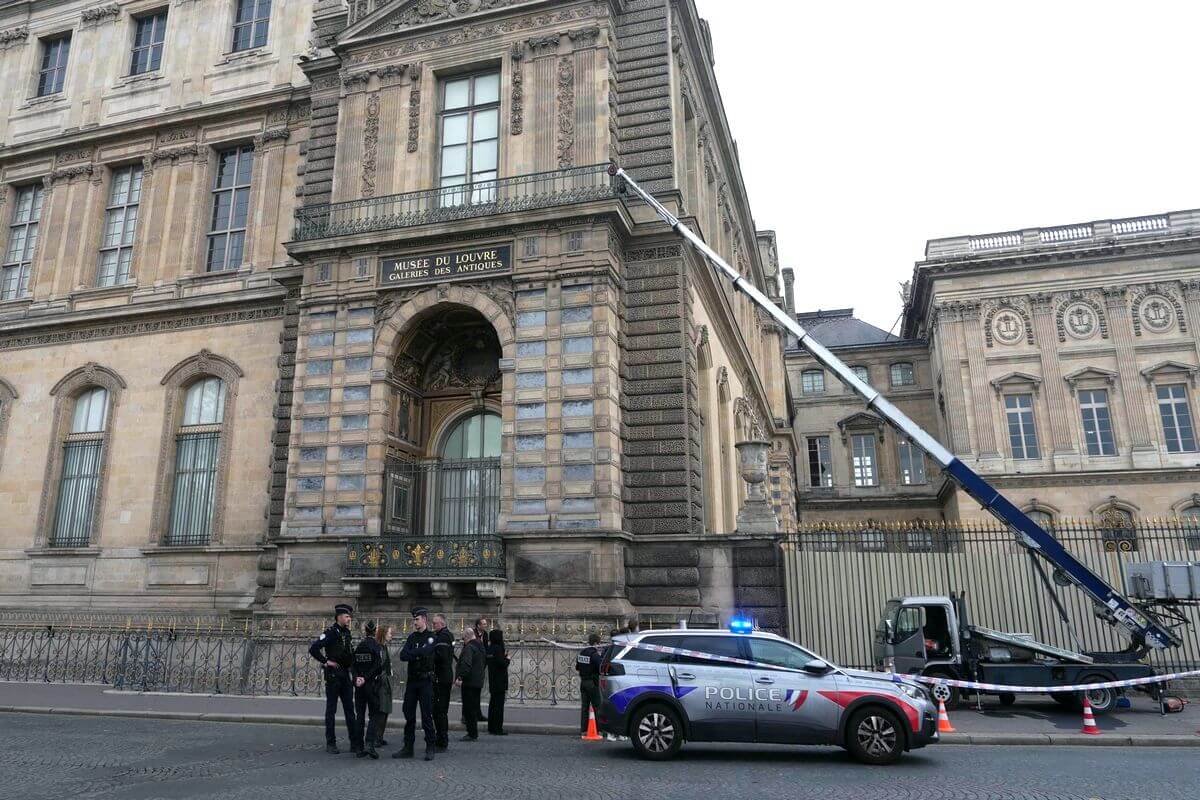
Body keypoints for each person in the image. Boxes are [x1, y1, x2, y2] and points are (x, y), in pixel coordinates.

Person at [308, 603, 362, 755]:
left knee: (350, 710)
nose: (349, 619)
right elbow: (314, 648)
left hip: (344, 674)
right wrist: (326, 661)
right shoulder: (331, 632)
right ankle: (331, 743)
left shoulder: (347, 633)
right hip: (333, 675)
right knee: (331, 710)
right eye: (347, 616)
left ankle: (354, 742)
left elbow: (349, 654)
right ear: (339, 617)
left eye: (350, 616)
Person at [394, 607, 437, 761]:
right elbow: (403, 655)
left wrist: (415, 654)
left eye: (417, 619)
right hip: (412, 682)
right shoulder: (412, 637)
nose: (415, 622)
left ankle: (430, 746)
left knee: (426, 715)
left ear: (424, 619)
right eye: (414, 619)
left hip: (425, 681)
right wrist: (417, 654)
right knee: (409, 714)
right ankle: (408, 747)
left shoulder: (431, 637)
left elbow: (427, 651)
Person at [352, 621, 391, 759]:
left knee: (360, 717)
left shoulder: (360, 646)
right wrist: (366, 678)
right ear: (374, 632)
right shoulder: (376, 647)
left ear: (365, 631)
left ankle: (358, 747)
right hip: (371, 686)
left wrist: (357, 678)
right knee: (374, 715)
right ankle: (369, 743)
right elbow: (378, 667)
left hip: (359, 687)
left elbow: (353, 665)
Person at [455, 627, 486, 741]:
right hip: (478, 681)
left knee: (469, 709)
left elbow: (467, 664)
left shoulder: (469, 647)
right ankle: (473, 732)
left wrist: (460, 677)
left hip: (470, 682)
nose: (463, 641)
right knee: (474, 707)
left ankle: (472, 733)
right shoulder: (480, 646)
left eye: (463, 639)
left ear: (467, 637)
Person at [430, 613, 456, 752]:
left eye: (435, 623)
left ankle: (442, 740)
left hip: (441, 677)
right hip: (443, 677)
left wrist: (429, 653)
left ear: (442, 623)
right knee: (439, 710)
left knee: (440, 710)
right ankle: (440, 737)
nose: (433, 625)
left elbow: (442, 656)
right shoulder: (444, 635)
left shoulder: (443, 636)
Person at [576, 633, 603, 735]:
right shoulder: (594, 654)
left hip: (583, 682)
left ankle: (584, 730)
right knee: (597, 706)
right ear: (596, 643)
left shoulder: (582, 653)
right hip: (592, 682)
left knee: (585, 707)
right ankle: (599, 730)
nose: (599, 646)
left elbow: (577, 667)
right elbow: (600, 667)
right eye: (599, 644)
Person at [485, 629, 510, 735]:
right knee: (498, 706)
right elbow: (502, 664)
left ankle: (491, 726)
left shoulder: (490, 648)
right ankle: (497, 728)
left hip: (492, 678)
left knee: (493, 704)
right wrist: (508, 659)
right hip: (500, 680)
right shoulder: (498, 648)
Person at [472, 617, 490, 723]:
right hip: (474, 665)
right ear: (478, 625)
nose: (485, 625)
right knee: (471, 693)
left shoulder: (485, 634)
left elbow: (486, 649)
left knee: (478, 691)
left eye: (485, 624)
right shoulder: (473, 634)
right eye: (483, 624)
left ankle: (478, 714)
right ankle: (468, 715)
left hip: (481, 665)